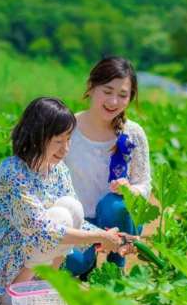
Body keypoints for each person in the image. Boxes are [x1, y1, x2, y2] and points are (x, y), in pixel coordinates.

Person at [0, 97, 133, 305]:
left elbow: (78, 222)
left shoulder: (57, 170)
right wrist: (101, 237)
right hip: (2, 270)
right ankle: (14, 293)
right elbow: (43, 231)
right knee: (60, 217)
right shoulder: (13, 172)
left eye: (68, 139)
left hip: (31, 254)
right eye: (58, 141)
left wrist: (116, 238)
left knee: (71, 207)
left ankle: (47, 285)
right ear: (37, 137)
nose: (65, 149)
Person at [63, 56, 151, 277]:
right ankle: (88, 261)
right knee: (74, 264)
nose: (113, 102)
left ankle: (116, 265)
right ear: (92, 87)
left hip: (119, 219)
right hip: (79, 221)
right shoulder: (67, 129)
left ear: (131, 98)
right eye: (107, 91)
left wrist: (131, 191)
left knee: (115, 205)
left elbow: (143, 182)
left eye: (123, 95)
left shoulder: (133, 133)